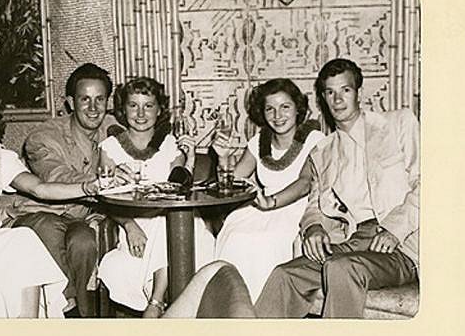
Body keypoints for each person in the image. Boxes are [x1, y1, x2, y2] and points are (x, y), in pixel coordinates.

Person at [254, 58, 419, 318]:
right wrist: (314, 227)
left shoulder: (398, 124)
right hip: (354, 242)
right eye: (330, 92)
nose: (338, 99)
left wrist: (393, 230)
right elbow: (314, 205)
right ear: (323, 98)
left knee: (341, 268)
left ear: (359, 93)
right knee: (285, 275)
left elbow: (428, 183)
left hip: (401, 246)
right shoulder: (323, 151)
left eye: (345, 90)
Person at [0, 82, 101, 318]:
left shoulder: (0, 156)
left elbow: (40, 188)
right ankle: (55, 314)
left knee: (24, 239)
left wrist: (88, 187)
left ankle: (29, 321)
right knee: (23, 242)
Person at [0, 63, 122, 318]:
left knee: (84, 241)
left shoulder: (113, 130)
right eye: (85, 99)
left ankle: (83, 313)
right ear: (71, 102)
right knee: (50, 228)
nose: (93, 108)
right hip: (37, 212)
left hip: (79, 217)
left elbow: (144, 143)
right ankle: (68, 308)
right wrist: (102, 181)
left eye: (100, 99)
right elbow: (56, 176)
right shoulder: (43, 136)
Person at [97, 77, 216, 318]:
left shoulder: (170, 144)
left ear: (159, 110)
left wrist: (190, 159)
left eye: (148, 106)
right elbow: (106, 197)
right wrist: (129, 225)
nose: (141, 114)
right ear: (123, 110)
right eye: (133, 105)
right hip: (137, 225)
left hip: (173, 221)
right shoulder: (110, 147)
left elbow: (179, 187)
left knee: (174, 219)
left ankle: (156, 300)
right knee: (169, 224)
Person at [211, 79, 325, 302]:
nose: (277, 115)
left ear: (298, 108)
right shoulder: (258, 142)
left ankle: (265, 308)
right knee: (234, 234)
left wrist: (272, 203)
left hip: (296, 209)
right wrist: (223, 158)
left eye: (285, 107)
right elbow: (236, 180)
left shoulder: (315, 139)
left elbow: (305, 183)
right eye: (270, 109)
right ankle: (233, 307)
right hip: (260, 207)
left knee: (265, 241)